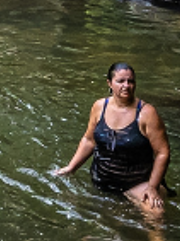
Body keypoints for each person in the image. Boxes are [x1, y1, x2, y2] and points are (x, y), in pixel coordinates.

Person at [55, 62, 170, 216]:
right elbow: (89, 140)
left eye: (131, 81)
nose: (126, 86)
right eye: (121, 81)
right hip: (102, 182)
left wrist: (152, 187)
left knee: (155, 213)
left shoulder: (147, 113)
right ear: (109, 83)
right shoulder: (99, 106)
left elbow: (162, 152)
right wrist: (71, 167)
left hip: (136, 183)